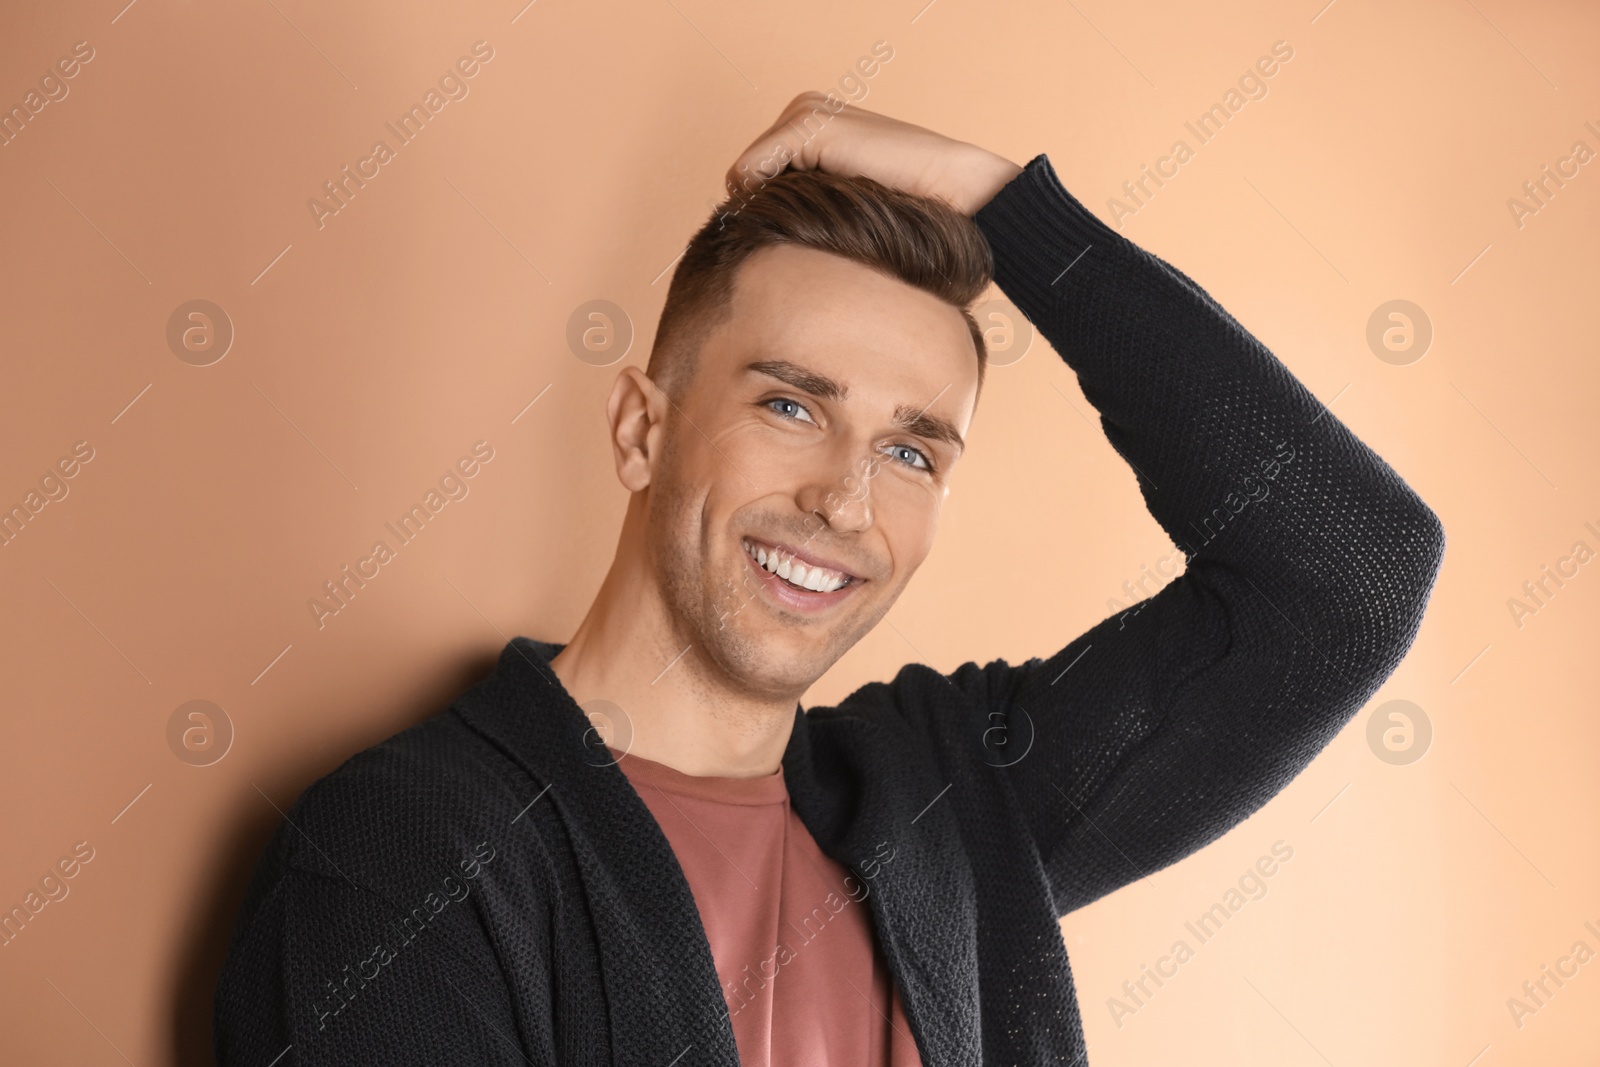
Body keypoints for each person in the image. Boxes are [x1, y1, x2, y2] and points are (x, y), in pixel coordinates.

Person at [213, 92, 1445, 1066]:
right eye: (792, 404)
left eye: (911, 448)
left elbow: (1344, 577)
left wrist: (1008, 210)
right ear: (642, 429)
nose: (846, 502)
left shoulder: (952, 799)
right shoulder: (410, 857)